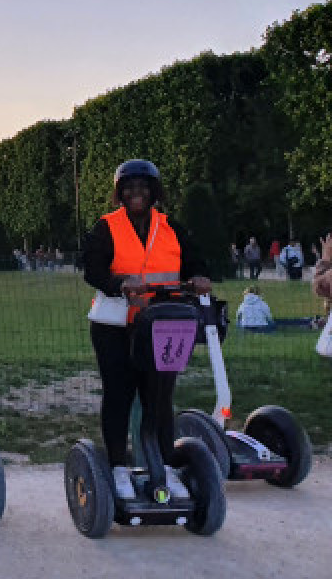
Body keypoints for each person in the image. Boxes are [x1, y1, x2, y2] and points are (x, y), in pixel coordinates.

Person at [81, 159, 211, 502]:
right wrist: (119, 282)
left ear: (154, 192)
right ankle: (118, 467)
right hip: (115, 324)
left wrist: (199, 276)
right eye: (129, 187)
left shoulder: (171, 227)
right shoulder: (107, 226)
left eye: (143, 186)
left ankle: (165, 467)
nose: (136, 193)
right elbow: (91, 268)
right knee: (119, 394)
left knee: (160, 397)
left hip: (164, 322)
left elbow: (195, 260)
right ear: (119, 193)